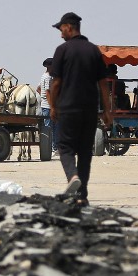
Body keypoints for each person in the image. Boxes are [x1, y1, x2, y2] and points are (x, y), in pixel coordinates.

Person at [47, 11, 112, 204]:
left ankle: (72, 177)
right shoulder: (93, 51)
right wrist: (108, 111)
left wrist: (52, 106)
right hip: (90, 109)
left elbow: (56, 83)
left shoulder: (62, 50)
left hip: (68, 108)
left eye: (61, 29)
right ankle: (82, 196)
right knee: (84, 151)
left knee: (65, 147)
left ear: (69, 26)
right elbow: (103, 84)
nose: (60, 34)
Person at [37, 58, 58, 157]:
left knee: (54, 127)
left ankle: (54, 147)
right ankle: (50, 148)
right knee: (49, 127)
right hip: (48, 107)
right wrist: (51, 105)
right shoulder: (48, 77)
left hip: (47, 105)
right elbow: (47, 92)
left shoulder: (46, 76)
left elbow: (38, 88)